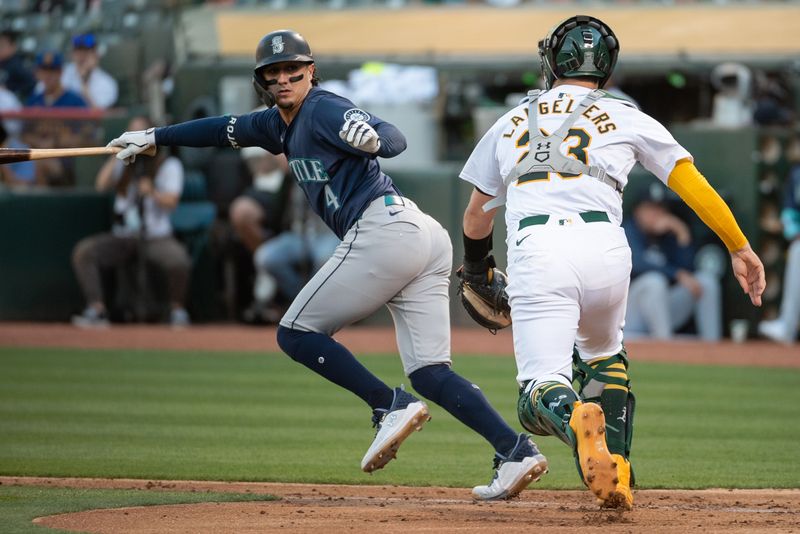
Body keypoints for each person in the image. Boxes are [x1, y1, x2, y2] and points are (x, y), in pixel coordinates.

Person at [108, 29, 548, 501]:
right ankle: (514, 450)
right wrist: (156, 136)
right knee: (430, 372)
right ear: (263, 80)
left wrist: (376, 139)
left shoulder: (323, 108)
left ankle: (388, 406)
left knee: (295, 333)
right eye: (272, 73)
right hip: (417, 235)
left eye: (292, 69)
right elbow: (222, 128)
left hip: (386, 230)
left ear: (310, 71)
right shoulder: (278, 125)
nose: (283, 78)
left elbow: (393, 138)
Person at [458, 15, 765, 511]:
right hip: (606, 248)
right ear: (607, 67)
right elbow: (690, 183)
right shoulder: (624, 113)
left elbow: (476, 215)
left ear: (553, 61)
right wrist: (739, 246)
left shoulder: (512, 120)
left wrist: (476, 267)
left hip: (540, 249)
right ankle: (617, 474)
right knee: (605, 357)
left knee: (538, 393)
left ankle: (577, 418)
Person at [72, 116, 192, 328]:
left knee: (178, 260)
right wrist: (114, 154)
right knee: (85, 252)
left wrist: (152, 192)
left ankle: (177, 311)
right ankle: (97, 310)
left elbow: (171, 201)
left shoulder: (167, 163)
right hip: (124, 235)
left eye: (141, 132)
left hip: (156, 235)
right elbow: (101, 185)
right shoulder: (123, 160)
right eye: (131, 133)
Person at [623, 186, 723, 341]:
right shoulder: (627, 230)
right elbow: (636, 263)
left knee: (706, 282)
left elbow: (689, 272)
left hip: (661, 310)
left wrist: (682, 233)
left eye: (660, 208)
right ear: (638, 210)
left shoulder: (667, 234)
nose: (656, 214)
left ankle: (714, 350)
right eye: (650, 208)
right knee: (654, 281)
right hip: (630, 315)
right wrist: (675, 274)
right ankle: (666, 348)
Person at [249, 181, 340, 323]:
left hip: (328, 233)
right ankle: (300, 301)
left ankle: (317, 307)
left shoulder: (339, 168)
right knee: (266, 257)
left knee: (326, 258)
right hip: (296, 235)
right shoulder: (294, 170)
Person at [758, 153, 800, 344]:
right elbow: (789, 210)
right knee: (798, 250)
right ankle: (787, 326)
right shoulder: (796, 173)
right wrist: (793, 231)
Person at [61, 32, 119, 109]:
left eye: (86, 51)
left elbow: (99, 115)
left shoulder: (107, 82)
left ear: (96, 54)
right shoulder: (60, 73)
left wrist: (84, 82)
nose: (82, 55)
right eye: (78, 50)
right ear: (72, 54)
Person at [0, 30, 36, 101]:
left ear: (13, 46)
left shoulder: (17, 65)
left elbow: (31, 84)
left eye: (2, 46)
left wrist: (9, 89)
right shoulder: (2, 63)